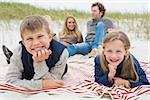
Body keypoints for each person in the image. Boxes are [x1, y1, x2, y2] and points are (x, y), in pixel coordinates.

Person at [5, 15, 68, 90]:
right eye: (29, 38)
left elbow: (52, 82)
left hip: (52, 68)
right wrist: (41, 85)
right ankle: (11, 59)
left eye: (40, 36)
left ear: (50, 37)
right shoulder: (19, 52)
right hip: (27, 70)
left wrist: (39, 62)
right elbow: (10, 81)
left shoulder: (61, 53)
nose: (36, 43)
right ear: (24, 42)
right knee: (18, 63)